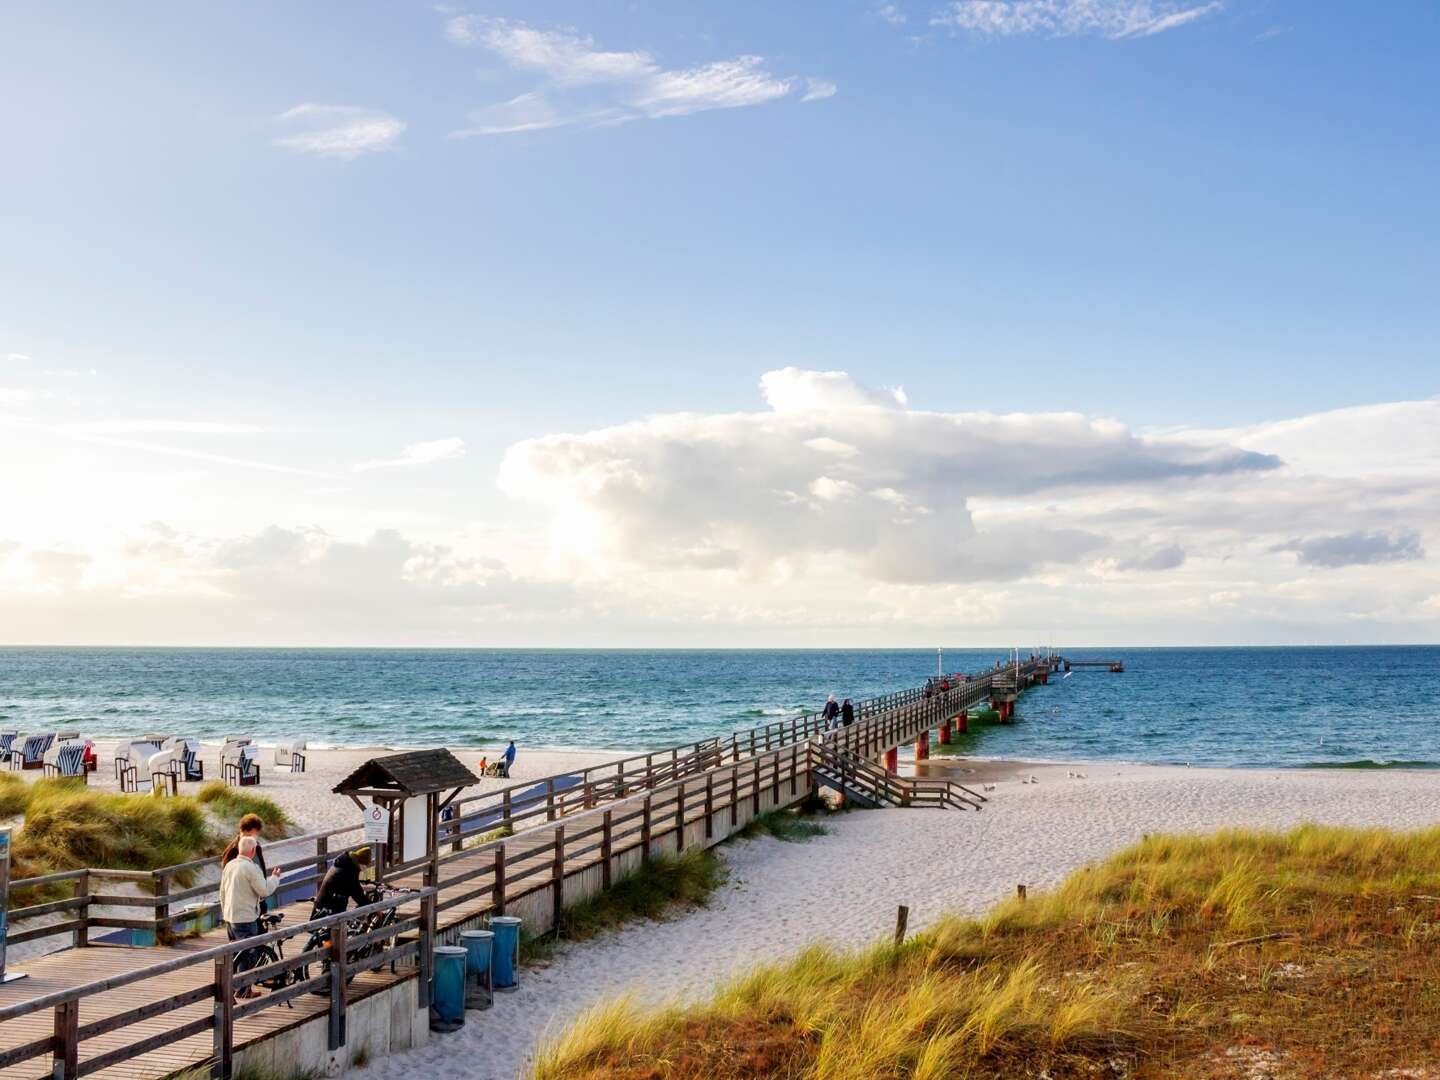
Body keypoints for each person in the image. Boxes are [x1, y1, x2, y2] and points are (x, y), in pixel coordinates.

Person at [220, 835, 281, 997]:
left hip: (230, 916)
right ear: (253, 851)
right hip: (245, 918)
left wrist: (225, 912)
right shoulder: (251, 868)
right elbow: (264, 890)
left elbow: (222, 893)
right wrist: (275, 878)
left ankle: (231, 989)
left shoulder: (230, 866)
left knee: (235, 956)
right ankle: (243, 990)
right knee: (248, 955)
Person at [220, 814, 269, 913]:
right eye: (253, 834)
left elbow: (260, 868)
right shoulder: (233, 850)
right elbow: (227, 877)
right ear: (245, 831)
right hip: (243, 905)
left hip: (259, 899)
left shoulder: (256, 845)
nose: (255, 837)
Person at [310, 847, 374, 920]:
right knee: (339, 927)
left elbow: (349, 885)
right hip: (331, 907)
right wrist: (374, 908)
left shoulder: (343, 863)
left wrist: (360, 887)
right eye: (364, 866)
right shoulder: (349, 871)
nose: (363, 869)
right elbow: (358, 895)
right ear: (360, 862)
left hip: (322, 900)